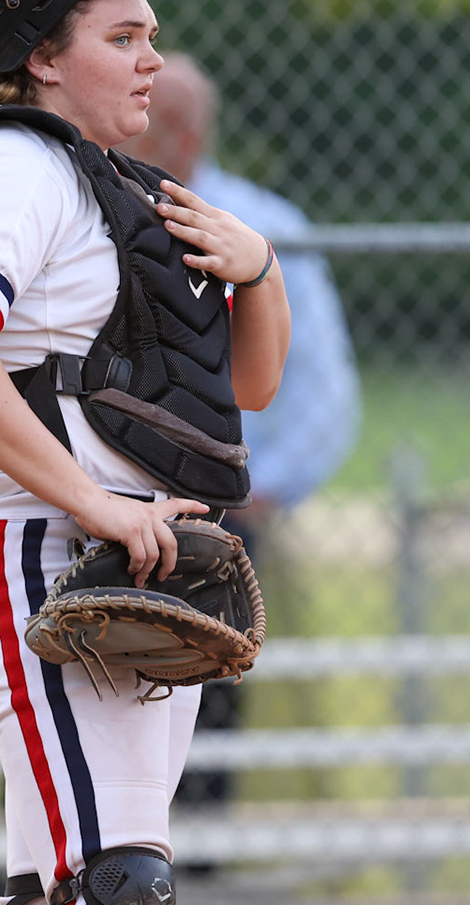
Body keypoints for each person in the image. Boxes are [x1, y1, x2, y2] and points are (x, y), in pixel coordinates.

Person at [0, 0, 290, 905]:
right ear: (40, 55)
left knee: (61, 896)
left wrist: (263, 273)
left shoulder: (101, 186)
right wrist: (102, 501)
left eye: (150, 34)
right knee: (116, 894)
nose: (152, 57)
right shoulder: (7, 169)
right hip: (42, 554)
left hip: (121, 562)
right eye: (121, 35)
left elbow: (249, 387)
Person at [133, 54, 360, 810]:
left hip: (220, 513)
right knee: (82, 687)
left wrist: (263, 488)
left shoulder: (264, 229)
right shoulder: (79, 209)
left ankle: (199, 876)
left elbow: (321, 385)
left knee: (208, 713)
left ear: (183, 134)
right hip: (104, 505)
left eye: (150, 118)